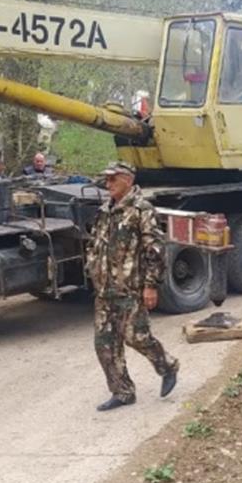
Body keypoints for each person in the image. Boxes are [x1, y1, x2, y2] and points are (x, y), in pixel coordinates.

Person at [86, 161, 179, 411]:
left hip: (130, 288)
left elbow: (156, 250)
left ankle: (167, 365)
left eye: (113, 179)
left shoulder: (141, 210)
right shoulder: (105, 210)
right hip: (105, 290)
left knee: (136, 337)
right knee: (104, 344)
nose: (108, 184)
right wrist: (92, 270)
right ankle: (123, 391)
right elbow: (95, 243)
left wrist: (151, 285)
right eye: (106, 180)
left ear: (127, 180)